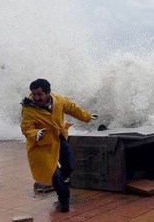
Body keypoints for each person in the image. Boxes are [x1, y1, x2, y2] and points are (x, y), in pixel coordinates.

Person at [20, 78, 97, 212]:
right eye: (34, 94)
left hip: (58, 137)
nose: (36, 97)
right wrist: (36, 133)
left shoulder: (59, 100)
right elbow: (26, 128)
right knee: (54, 175)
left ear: (48, 92)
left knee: (69, 166)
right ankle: (63, 201)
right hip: (41, 145)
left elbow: (72, 108)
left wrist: (87, 117)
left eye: (40, 94)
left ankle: (56, 182)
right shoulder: (28, 109)